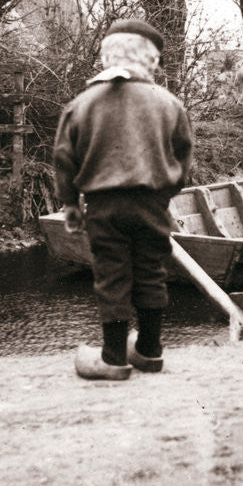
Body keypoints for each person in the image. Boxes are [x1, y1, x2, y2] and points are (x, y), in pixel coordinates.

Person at [53, 19, 194, 380]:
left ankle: (113, 357)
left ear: (107, 55)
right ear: (152, 60)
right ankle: (149, 351)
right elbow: (183, 158)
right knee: (151, 272)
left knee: (111, 275)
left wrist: (70, 203)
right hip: (152, 203)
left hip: (103, 206)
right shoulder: (169, 104)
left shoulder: (82, 104)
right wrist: (165, 193)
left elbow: (65, 158)